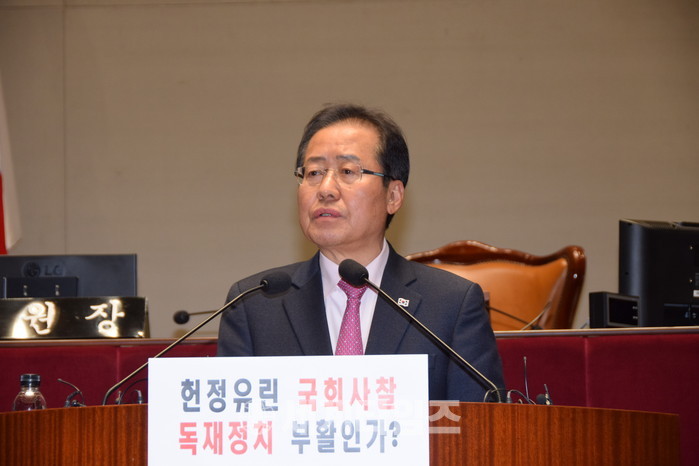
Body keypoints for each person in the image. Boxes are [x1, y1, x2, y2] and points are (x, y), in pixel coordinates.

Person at [217, 103, 504, 401]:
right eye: (313, 172)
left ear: (393, 196)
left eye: (347, 171)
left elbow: (481, 425)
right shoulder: (254, 305)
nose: (326, 189)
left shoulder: (451, 305)